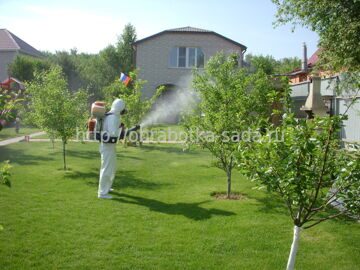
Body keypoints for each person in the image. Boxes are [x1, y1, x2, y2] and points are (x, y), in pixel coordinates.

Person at [97, 98, 126, 199]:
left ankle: (107, 187)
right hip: (107, 147)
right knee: (107, 169)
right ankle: (102, 193)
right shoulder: (113, 117)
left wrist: (121, 127)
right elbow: (113, 133)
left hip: (109, 146)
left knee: (111, 168)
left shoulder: (111, 115)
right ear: (120, 108)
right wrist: (123, 131)